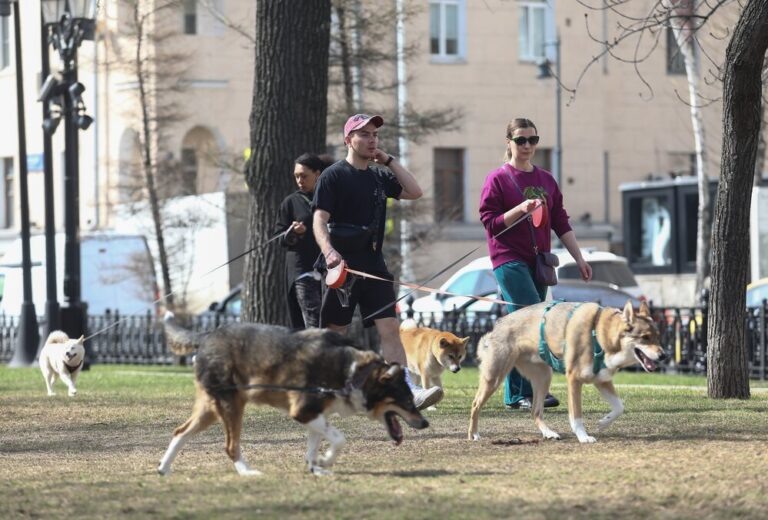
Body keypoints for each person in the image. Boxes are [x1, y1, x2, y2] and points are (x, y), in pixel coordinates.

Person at [312, 113, 443, 410]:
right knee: (337, 330)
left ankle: (403, 391)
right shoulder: (333, 175)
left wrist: (388, 160)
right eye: (364, 134)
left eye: (375, 135)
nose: (372, 139)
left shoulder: (379, 176)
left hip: (374, 266)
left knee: (389, 327)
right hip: (342, 268)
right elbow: (319, 220)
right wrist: (330, 253)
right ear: (349, 140)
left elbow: (414, 191)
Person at [479, 117, 592, 410]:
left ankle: (515, 396)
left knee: (519, 326)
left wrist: (579, 258)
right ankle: (529, 392)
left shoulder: (546, 180)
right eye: (520, 140)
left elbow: (560, 222)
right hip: (508, 259)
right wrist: (520, 209)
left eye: (532, 140)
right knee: (533, 320)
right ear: (509, 143)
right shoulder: (498, 179)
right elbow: (490, 223)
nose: (527, 146)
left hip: (540, 261)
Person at [275, 153, 331, 329]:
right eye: (296, 176)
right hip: (302, 271)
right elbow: (280, 238)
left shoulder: (330, 198)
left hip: (329, 270)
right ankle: (316, 356)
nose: (300, 180)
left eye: (304, 176)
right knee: (313, 320)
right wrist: (294, 233)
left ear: (317, 174)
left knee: (331, 320)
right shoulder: (290, 203)